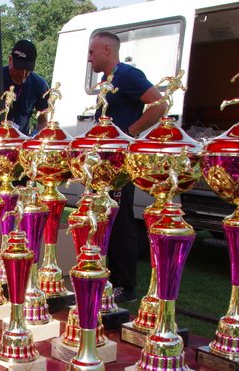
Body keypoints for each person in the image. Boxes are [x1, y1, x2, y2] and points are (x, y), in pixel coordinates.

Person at [88, 30, 167, 303]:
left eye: (92, 52)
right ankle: (106, 277)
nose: (89, 58)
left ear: (107, 50)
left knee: (120, 220)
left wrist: (130, 133)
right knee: (102, 217)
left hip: (120, 162)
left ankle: (126, 286)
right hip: (103, 161)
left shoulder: (128, 75)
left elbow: (160, 104)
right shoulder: (106, 81)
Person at [0, 39, 49, 135]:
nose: (23, 74)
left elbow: (43, 121)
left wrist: (34, 136)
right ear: (10, 60)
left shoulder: (39, 84)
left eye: (28, 70)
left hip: (21, 138)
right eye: (19, 68)